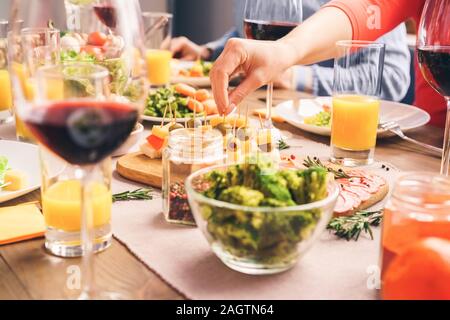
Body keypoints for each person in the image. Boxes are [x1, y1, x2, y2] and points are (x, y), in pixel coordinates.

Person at [210, 0, 447, 128]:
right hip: (429, 145)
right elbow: (363, 9)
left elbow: (391, 76)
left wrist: (293, 71)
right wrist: (284, 51)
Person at [171, 0, 411, 102]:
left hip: (339, 134)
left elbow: (392, 78)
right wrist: (207, 51)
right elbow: (250, 35)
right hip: (258, 109)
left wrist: (294, 76)